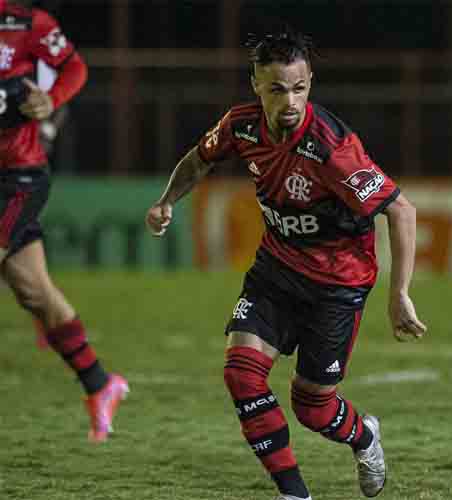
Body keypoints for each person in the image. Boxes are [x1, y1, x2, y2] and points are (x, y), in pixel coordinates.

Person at [145, 26, 427, 500]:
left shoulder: (333, 149)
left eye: (298, 87)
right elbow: (199, 159)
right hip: (276, 271)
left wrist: (399, 294)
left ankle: (365, 436)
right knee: (241, 373)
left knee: (313, 407)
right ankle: (294, 492)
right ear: (255, 83)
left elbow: (401, 210)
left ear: (310, 82)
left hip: (337, 286)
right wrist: (167, 199)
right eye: (276, 89)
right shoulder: (242, 125)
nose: (289, 101)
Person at [0, 0, 128, 442]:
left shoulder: (25, 23)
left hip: (15, 177)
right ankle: (100, 384)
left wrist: (49, 101)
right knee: (35, 292)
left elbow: (74, 68)